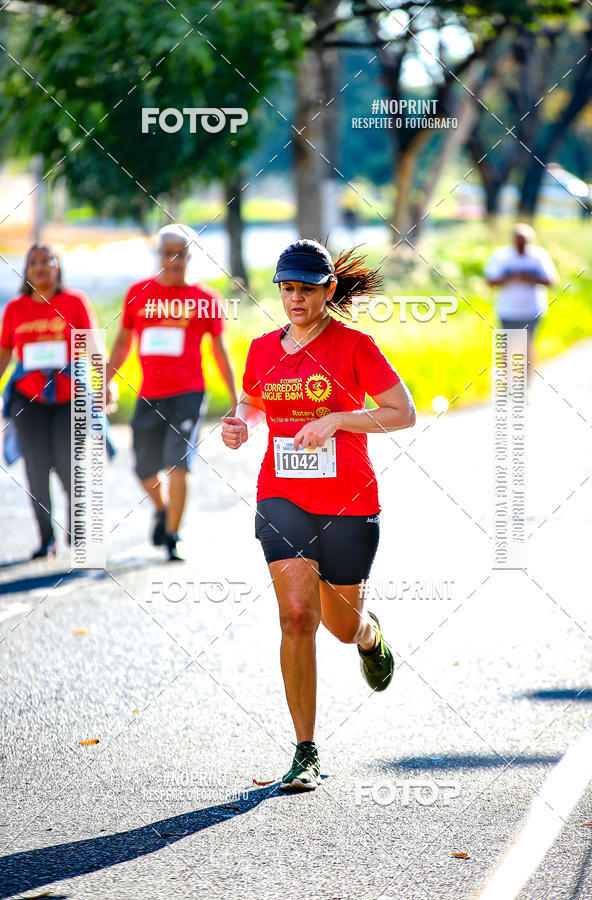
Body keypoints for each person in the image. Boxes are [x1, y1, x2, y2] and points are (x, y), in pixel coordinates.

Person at [221, 239, 416, 790]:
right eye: (287, 289)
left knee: (339, 624)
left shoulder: (355, 346)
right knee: (296, 617)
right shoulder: (262, 349)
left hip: (351, 501)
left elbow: (403, 412)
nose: (295, 299)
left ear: (329, 290)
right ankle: (305, 751)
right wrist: (238, 425)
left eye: (307, 289)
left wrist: (337, 420)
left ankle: (369, 638)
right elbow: (253, 406)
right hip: (281, 496)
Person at [107, 225, 237, 561]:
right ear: (158, 255)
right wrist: (105, 380)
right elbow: (123, 341)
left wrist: (236, 397)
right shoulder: (139, 293)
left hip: (189, 393)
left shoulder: (206, 298)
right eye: (167, 253)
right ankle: (163, 510)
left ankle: (173, 535)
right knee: (143, 469)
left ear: (190, 257)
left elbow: (219, 351)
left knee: (178, 464)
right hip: (149, 393)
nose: (173, 260)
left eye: (180, 253)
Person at [0, 243, 98, 558]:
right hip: (28, 400)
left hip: (70, 398)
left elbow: (92, 345)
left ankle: (79, 530)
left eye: (47, 261)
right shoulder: (15, 309)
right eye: (33, 263)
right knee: (36, 468)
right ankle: (46, 538)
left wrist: (103, 384)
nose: (40, 267)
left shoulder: (74, 302)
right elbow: (5, 351)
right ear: (26, 270)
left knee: (70, 464)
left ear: (58, 267)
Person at [485, 223, 558, 373]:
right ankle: (507, 382)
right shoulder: (501, 256)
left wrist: (529, 278)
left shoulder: (539, 256)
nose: (521, 244)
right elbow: (490, 281)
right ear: (513, 239)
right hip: (507, 310)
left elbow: (551, 281)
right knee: (508, 346)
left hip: (532, 310)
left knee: (527, 344)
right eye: (518, 240)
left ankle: (526, 381)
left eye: (524, 240)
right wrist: (509, 278)